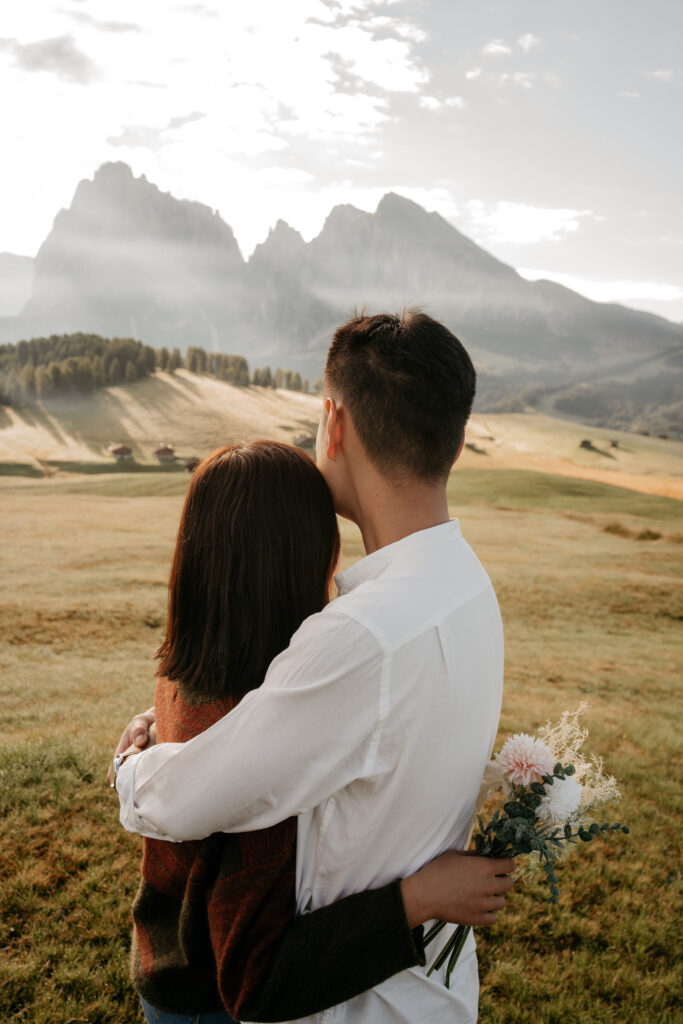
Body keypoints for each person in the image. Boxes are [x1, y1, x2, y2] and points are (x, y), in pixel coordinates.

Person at [115, 310, 507, 1023]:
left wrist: (130, 766)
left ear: (333, 422)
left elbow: (191, 799)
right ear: (450, 438)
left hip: (353, 1002)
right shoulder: (466, 581)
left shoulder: (359, 639)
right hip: (433, 992)